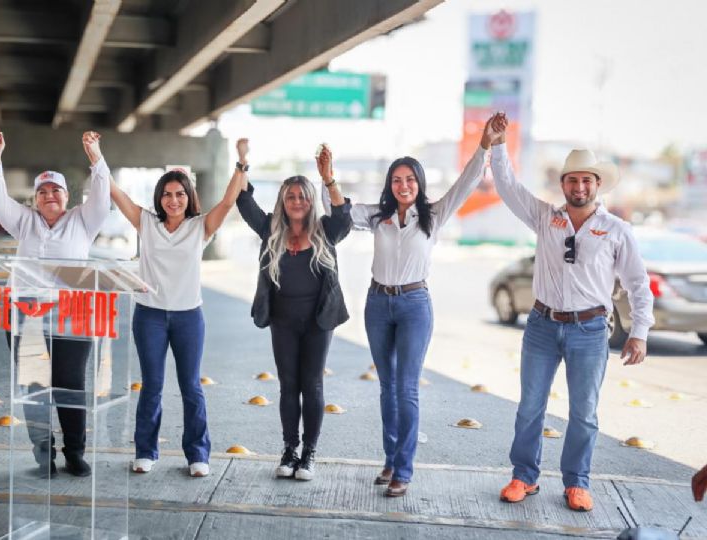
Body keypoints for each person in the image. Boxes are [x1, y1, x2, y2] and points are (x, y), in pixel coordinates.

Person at [321, 120, 497, 497]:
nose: (403, 186)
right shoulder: (377, 216)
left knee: (407, 389)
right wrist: (328, 178)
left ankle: (404, 469)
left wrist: (483, 146)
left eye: (410, 180)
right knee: (387, 388)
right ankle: (390, 458)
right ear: (390, 185)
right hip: (378, 304)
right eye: (397, 180)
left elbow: (466, 183)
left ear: (418, 183)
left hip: (415, 304)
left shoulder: (433, 214)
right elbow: (337, 213)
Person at [489, 113, 654, 512]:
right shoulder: (546, 216)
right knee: (530, 406)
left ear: (597, 185)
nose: (579, 187)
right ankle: (524, 476)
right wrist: (497, 145)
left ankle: (576, 482)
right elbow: (508, 187)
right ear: (562, 184)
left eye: (587, 180)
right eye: (572, 180)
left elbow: (637, 283)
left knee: (584, 412)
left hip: (590, 329)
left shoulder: (617, 230)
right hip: (542, 325)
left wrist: (640, 332)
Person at [109, 147, 246, 478]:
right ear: (160, 198)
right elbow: (117, 193)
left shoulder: (200, 227)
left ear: (189, 197)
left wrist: (242, 161)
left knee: (191, 388)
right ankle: (145, 451)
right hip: (150, 316)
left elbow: (228, 202)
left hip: (188, 317)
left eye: (180, 194)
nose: (173, 200)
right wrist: (98, 155)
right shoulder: (146, 222)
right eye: (168, 194)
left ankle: (198, 455)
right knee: (152, 386)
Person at [0, 130, 110, 477]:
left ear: (67, 197)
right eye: (42, 191)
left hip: (74, 311)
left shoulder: (83, 221)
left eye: (56, 190)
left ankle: (74, 452)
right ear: (35, 200)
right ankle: (44, 454)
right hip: (25, 312)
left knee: (71, 382)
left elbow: (102, 196)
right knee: (35, 386)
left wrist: (95, 157)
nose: (49, 195)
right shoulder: (24, 223)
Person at [235, 141, 352, 481]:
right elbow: (244, 202)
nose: (297, 201)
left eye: (302, 196)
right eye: (291, 196)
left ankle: (309, 454)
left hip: (319, 319)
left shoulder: (325, 230)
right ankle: (289, 450)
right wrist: (243, 162)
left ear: (309, 200)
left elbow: (344, 216)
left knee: (312, 385)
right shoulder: (271, 227)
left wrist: (328, 179)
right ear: (283, 202)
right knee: (289, 386)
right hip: (283, 320)